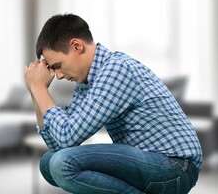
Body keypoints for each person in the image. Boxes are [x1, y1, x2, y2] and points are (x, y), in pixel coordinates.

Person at [24, 13, 202, 194]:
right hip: (150, 163)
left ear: (77, 46)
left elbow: (67, 136)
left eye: (58, 65)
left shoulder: (116, 69)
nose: (59, 75)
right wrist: (35, 90)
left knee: (61, 164)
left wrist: (39, 88)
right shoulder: (86, 83)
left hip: (176, 167)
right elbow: (59, 146)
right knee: (48, 163)